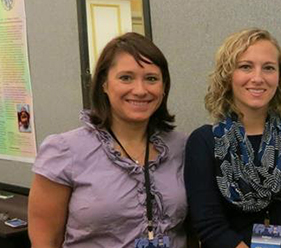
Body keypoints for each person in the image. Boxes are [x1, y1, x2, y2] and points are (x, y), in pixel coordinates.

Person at [28, 32, 187, 248]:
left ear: (164, 86)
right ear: (104, 84)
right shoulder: (65, 150)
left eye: (151, 78)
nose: (140, 90)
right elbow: (45, 240)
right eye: (126, 77)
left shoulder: (181, 147)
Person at [185, 28, 281, 248]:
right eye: (245, 67)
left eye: (268, 68)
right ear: (228, 76)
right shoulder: (205, 142)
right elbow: (209, 225)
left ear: (279, 77)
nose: (258, 78)